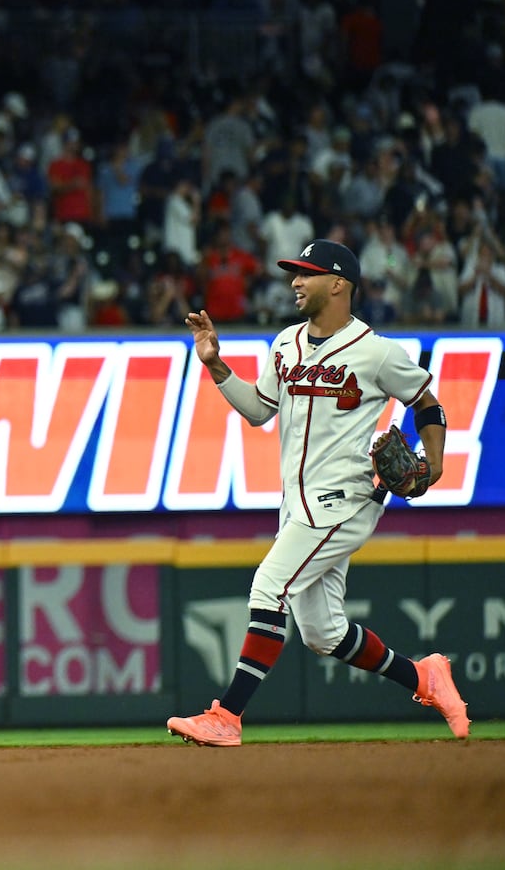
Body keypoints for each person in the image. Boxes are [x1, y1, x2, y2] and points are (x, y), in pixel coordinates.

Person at [168, 240, 467, 746]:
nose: (294, 283)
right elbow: (262, 409)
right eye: (294, 273)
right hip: (297, 504)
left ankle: (228, 715)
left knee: (268, 587)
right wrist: (216, 367)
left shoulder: (376, 352)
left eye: (306, 274)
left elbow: (428, 405)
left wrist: (434, 463)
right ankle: (424, 678)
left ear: (338, 283)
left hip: (345, 500)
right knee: (324, 633)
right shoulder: (285, 342)